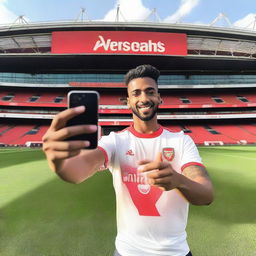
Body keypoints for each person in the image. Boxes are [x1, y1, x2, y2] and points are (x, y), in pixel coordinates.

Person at [42, 64, 214, 256]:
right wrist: (57, 162)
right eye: (136, 93)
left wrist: (179, 181)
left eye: (150, 92)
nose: (144, 98)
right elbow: (76, 172)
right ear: (128, 101)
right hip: (127, 251)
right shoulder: (115, 141)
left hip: (176, 252)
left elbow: (206, 195)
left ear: (159, 98)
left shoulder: (181, 141)